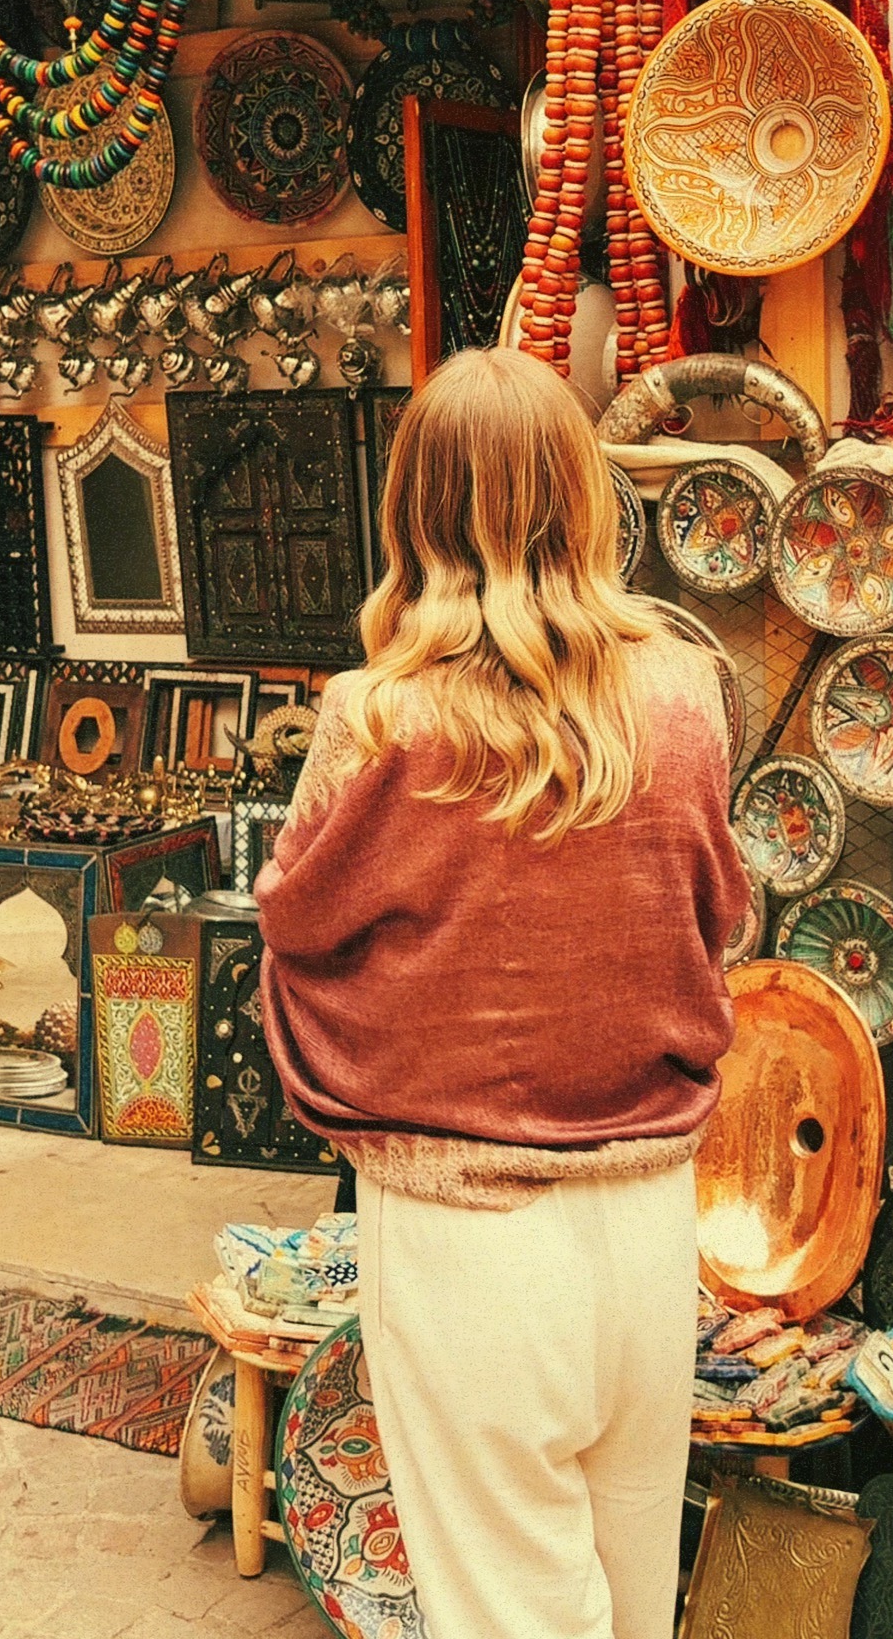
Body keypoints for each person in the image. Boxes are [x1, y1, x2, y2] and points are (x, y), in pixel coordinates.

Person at [257, 347, 753, 1639]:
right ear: (585, 498)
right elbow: (718, 921)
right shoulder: (684, 695)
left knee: (506, 1617)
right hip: (646, 1224)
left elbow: (295, 929)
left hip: (463, 1230)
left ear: (412, 507)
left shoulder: (379, 718)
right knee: (635, 1604)